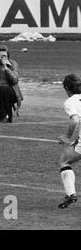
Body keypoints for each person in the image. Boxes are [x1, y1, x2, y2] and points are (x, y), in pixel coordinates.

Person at [57, 74, 81, 209]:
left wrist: (67, 137)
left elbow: (75, 120)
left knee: (64, 160)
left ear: (67, 88)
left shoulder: (70, 102)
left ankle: (71, 194)